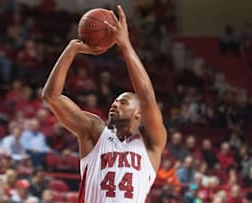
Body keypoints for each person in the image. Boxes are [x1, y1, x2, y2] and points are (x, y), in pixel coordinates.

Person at [42, 5, 167, 203]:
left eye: (123, 102)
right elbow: (52, 97)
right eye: (115, 101)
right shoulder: (95, 131)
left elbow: (147, 97)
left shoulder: (151, 145)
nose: (115, 104)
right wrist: (72, 49)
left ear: (138, 113)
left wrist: (125, 45)